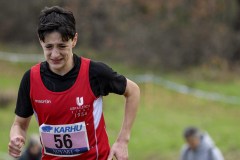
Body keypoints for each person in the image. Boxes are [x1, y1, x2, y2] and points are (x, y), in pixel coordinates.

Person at [8, 6, 140, 160]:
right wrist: (16, 137)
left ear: (74, 40)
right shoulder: (31, 78)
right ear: (40, 41)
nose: (55, 54)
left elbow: (133, 91)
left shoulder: (94, 72)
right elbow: (19, 124)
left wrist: (123, 140)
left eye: (62, 46)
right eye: (49, 47)